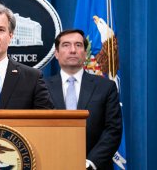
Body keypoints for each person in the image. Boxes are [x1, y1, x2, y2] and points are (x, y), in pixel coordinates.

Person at [45, 29, 122, 170]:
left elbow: (113, 130)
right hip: (52, 163)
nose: (73, 50)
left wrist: (90, 163)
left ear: (85, 53)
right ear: (56, 53)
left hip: (95, 166)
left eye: (78, 45)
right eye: (66, 45)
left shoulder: (106, 87)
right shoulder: (41, 87)